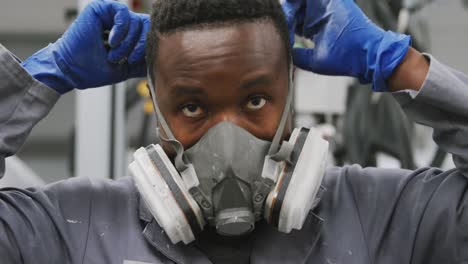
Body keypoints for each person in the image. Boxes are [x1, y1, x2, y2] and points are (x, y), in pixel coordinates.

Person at [0, 0, 467, 263]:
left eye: (256, 101)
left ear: (290, 92)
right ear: (156, 106)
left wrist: (401, 66)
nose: (228, 135)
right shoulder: (73, 228)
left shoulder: (383, 215)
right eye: (192, 106)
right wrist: (43, 74)